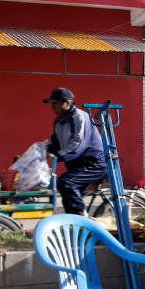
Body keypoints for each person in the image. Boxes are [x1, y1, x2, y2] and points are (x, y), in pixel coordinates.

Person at [43, 87, 107, 216]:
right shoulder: (58, 121)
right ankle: (73, 222)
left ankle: (80, 217)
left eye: (56, 103)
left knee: (66, 182)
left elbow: (78, 144)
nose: (53, 107)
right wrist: (46, 152)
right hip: (78, 166)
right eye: (52, 104)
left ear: (67, 103)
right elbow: (53, 142)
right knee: (67, 193)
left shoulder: (80, 117)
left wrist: (58, 156)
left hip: (93, 164)